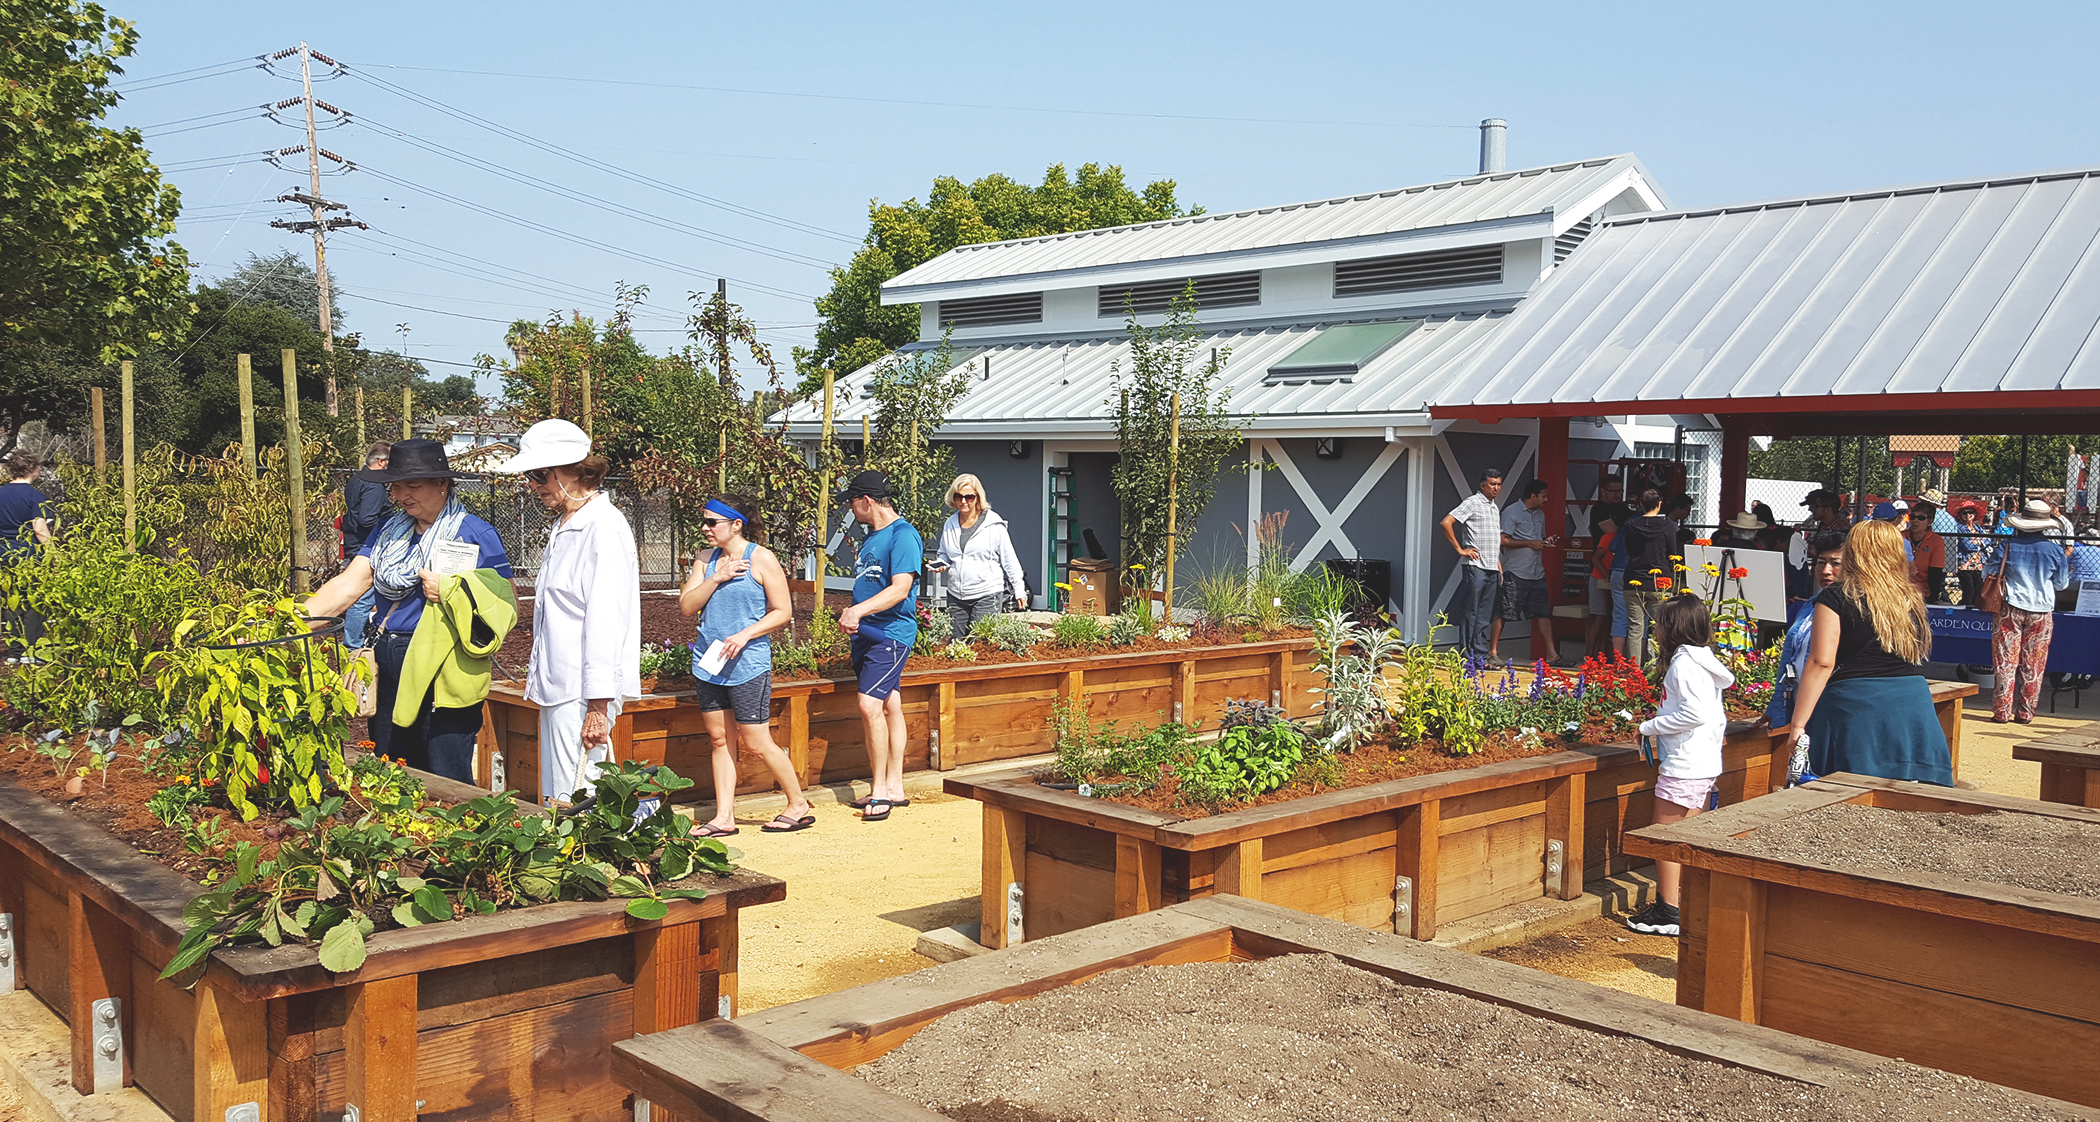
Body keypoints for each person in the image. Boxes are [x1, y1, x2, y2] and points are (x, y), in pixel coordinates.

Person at [305, 440, 516, 782]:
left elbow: (503, 605)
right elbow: (348, 586)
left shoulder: (474, 534)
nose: (402, 495)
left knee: (445, 772)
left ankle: (459, 834)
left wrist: (453, 592)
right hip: (389, 657)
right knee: (392, 766)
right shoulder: (388, 531)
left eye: (413, 486)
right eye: (396, 486)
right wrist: (284, 622)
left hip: (444, 664)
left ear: (442, 484)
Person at [493, 420, 640, 806]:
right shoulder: (567, 523)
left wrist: (597, 706)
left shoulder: (603, 527)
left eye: (540, 474)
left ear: (574, 471)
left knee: (577, 797)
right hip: (562, 687)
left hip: (582, 692)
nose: (534, 484)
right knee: (562, 795)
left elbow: (606, 619)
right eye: (531, 475)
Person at [679, 492, 815, 836]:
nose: (706, 528)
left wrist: (745, 634)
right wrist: (717, 577)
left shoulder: (762, 558)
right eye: (705, 521)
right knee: (719, 739)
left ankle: (797, 803)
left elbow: (783, 611)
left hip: (748, 665)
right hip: (708, 663)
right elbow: (686, 606)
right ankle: (724, 817)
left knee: (756, 741)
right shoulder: (705, 559)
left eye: (713, 522)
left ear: (736, 524)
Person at [1778, 520, 1949, 785]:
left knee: (1848, 799)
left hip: (1857, 707)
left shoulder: (1836, 597)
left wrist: (1798, 725)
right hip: (1914, 706)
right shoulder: (1910, 598)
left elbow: (1821, 662)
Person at [1624, 595, 1734, 937]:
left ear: (1672, 629)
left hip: (1685, 765)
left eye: (1659, 624)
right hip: (1702, 762)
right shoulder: (1704, 660)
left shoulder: (1683, 665)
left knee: (1665, 837)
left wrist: (1649, 727)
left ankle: (1668, 909)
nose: (1655, 630)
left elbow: (1693, 714)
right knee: (1687, 836)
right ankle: (1683, 902)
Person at [836, 471, 921, 821]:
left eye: (852, 502)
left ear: (866, 501)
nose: (850, 509)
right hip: (867, 634)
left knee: (868, 705)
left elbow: (900, 589)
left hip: (891, 634)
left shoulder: (903, 536)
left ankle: (881, 789)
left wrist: (857, 610)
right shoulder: (872, 538)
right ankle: (895, 786)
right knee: (889, 704)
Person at [1766, 531, 1846, 788]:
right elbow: (1794, 660)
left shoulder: (1851, 609)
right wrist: (1776, 708)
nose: (1826, 570)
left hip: (1829, 708)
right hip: (1803, 706)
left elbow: (1823, 662)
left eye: (1836, 563)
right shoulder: (1811, 604)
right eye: (1821, 562)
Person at [1987, 500, 2071, 724]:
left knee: (2005, 660)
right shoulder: (2055, 550)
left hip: (2010, 606)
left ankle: (2002, 711)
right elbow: (2062, 584)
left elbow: (1989, 570)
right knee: (2034, 663)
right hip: (2041, 609)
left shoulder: (2007, 546)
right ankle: (2025, 712)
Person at [934, 474, 1026, 640]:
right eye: (958, 496)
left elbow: (1009, 559)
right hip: (956, 595)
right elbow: (945, 553)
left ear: (977, 497)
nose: (963, 501)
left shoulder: (994, 525)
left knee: (979, 643)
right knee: (956, 645)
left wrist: (1019, 589)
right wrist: (941, 563)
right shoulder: (950, 524)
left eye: (968, 497)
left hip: (987, 593)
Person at [1439, 468, 1503, 663]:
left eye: (1499, 484)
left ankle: (1481, 655)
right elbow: (1446, 522)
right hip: (1475, 566)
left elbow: (1494, 539)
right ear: (1483, 485)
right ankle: (1467, 656)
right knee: (1471, 611)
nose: (1496, 488)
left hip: (1491, 567)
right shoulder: (1472, 503)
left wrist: (1499, 565)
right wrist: (1460, 549)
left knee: (1485, 614)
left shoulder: (1494, 507)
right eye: (1492, 484)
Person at [1492, 480, 1557, 664]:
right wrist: (1529, 543)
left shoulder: (1540, 515)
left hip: (1537, 571)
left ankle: (1552, 654)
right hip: (1516, 571)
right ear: (1533, 496)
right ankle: (1493, 652)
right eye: (1544, 495)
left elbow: (1539, 538)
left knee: (1543, 612)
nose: (1546, 499)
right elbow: (1503, 540)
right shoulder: (1511, 512)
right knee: (1504, 611)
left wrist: (1546, 541)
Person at [0, 451, 54, 656]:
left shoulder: (1, 493)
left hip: (4, 554)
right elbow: (39, 529)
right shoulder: (35, 496)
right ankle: (30, 650)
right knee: (34, 602)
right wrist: (53, 554)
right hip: (29, 555)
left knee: (12, 601)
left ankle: (14, 651)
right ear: (32, 469)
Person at [340, 443, 392, 648]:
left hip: (354, 542)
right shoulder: (373, 486)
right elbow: (367, 518)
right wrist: (390, 529)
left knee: (358, 596)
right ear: (381, 462)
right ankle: (353, 645)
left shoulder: (356, 479)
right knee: (363, 598)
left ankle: (357, 640)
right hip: (367, 546)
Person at [1619, 488, 1678, 668]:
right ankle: (1657, 667)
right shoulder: (1668, 526)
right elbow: (1672, 552)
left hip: (1633, 579)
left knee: (1635, 628)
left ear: (1641, 504)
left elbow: (1629, 550)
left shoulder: (1630, 525)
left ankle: (1635, 669)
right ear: (1659, 505)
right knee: (1659, 627)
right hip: (1660, 582)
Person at [1905, 497, 1947, 603]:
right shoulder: (1901, 536)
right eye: (1912, 517)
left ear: (1930, 522)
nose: (1915, 521)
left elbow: (1935, 574)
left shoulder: (1936, 541)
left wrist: (1933, 599)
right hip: (1900, 589)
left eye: (1921, 518)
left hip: (1922, 593)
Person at [1951, 503, 1991, 606]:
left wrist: (1978, 543)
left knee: (1979, 588)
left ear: (1974, 514)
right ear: (1960, 515)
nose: (1968, 515)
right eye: (1964, 513)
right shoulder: (1960, 528)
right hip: (1965, 563)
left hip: (1978, 563)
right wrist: (1980, 543)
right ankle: (1964, 609)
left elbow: (1989, 540)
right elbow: (1967, 545)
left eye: (1970, 512)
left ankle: (1973, 608)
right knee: (1969, 590)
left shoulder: (1977, 528)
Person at [2067, 528, 2100, 612]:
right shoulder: (2098, 551)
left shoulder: (2077, 550)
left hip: (2077, 580)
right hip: (2097, 580)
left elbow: (2066, 561)